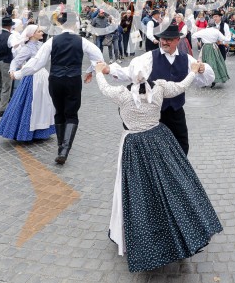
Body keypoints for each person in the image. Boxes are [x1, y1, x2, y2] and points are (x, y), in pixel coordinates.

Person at [94, 60, 222, 272]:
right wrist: (191, 71)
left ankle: (144, 241)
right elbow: (181, 86)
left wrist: (99, 72)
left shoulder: (122, 95)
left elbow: (104, 88)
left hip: (134, 144)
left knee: (138, 192)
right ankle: (180, 231)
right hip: (159, 139)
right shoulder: (159, 87)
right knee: (170, 186)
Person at [103, 24, 215, 155]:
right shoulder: (149, 57)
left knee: (182, 144)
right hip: (153, 112)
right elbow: (130, 72)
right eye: (163, 39)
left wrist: (203, 69)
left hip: (176, 110)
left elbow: (206, 79)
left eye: (169, 39)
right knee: (155, 148)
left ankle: (178, 171)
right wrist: (109, 69)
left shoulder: (187, 59)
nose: (164, 42)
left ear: (177, 40)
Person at [11, 13, 105, 164]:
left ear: (61, 24)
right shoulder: (82, 41)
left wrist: (19, 73)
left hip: (55, 79)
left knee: (59, 112)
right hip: (73, 79)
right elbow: (99, 57)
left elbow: (37, 63)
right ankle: (64, 149)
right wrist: (90, 70)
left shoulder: (51, 41)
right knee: (72, 114)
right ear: (76, 25)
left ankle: (61, 146)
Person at [0, 25, 55, 141]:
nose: (42, 32)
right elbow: (16, 61)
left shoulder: (41, 45)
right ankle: (26, 132)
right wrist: (12, 70)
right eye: (39, 31)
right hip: (32, 78)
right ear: (32, 34)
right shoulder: (27, 48)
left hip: (43, 77)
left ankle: (41, 131)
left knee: (44, 104)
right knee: (32, 105)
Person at [0, 17, 15, 117]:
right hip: (5, 61)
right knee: (6, 85)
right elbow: (13, 48)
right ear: (9, 26)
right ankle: (2, 109)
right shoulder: (10, 36)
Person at [193, 23, 230, 88]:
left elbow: (193, 35)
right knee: (215, 63)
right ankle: (214, 80)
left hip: (206, 48)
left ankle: (204, 80)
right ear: (214, 26)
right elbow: (225, 39)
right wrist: (229, 36)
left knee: (204, 62)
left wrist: (200, 39)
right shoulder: (216, 31)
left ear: (208, 25)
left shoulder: (203, 31)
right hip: (213, 47)